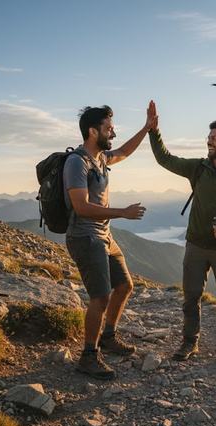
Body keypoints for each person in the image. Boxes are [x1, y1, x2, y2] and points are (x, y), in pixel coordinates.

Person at [147, 101, 216, 364]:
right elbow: (165, 159)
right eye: (208, 138)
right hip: (196, 243)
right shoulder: (198, 168)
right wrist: (154, 131)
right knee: (191, 297)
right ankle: (190, 342)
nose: (209, 142)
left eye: (214, 138)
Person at [64, 102, 157, 380]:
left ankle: (108, 337)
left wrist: (147, 128)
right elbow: (81, 207)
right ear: (93, 132)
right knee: (100, 296)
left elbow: (125, 151)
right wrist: (122, 213)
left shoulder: (101, 159)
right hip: (85, 236)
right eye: (109, 129)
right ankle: (88, 356)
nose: (113, 134)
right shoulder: (76, 163)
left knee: (125, 286)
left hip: (104, 235)